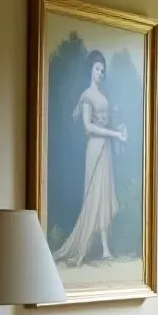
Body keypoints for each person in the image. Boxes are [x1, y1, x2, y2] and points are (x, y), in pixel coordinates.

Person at [53, 50, 126, 266]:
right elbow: (88, 126)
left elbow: (108, 122)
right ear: (90, 70)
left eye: (103, 70)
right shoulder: (87, 96)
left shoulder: (103, 97)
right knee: (94, 192)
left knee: (104, 193)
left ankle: (105, 248)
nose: (100, 73)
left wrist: (119, 129)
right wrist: (113, 134)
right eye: (97, 69)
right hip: (94, 148)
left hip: (105, 149)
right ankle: (84, 246)